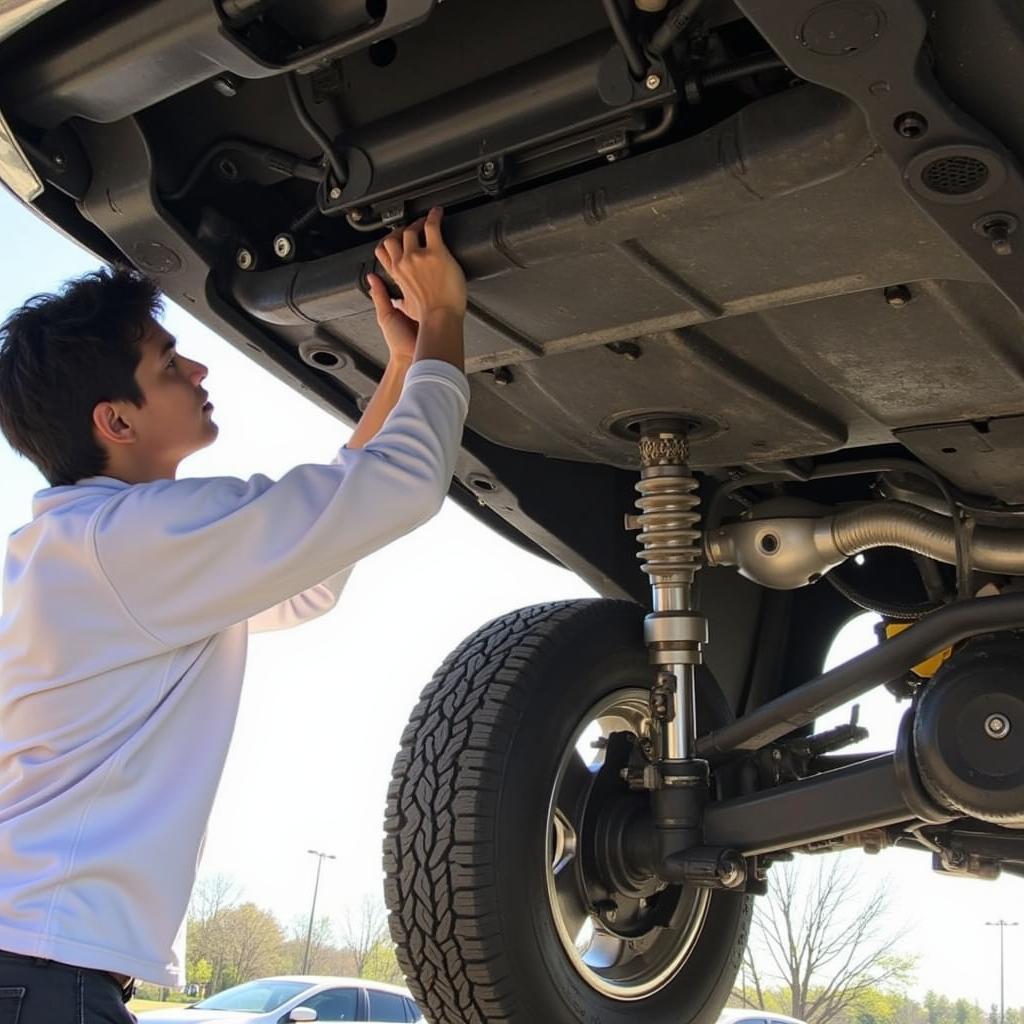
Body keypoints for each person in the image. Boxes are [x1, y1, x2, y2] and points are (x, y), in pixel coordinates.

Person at [0, 207, 468, 1022]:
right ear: (115, 421)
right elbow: (398, 487)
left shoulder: (72, 552)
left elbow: (305, 575)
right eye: (168, 363)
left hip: (38, 962)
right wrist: (447, 319)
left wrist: (402, 367)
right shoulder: (132, 544)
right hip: (49, 970)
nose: (200, 371)